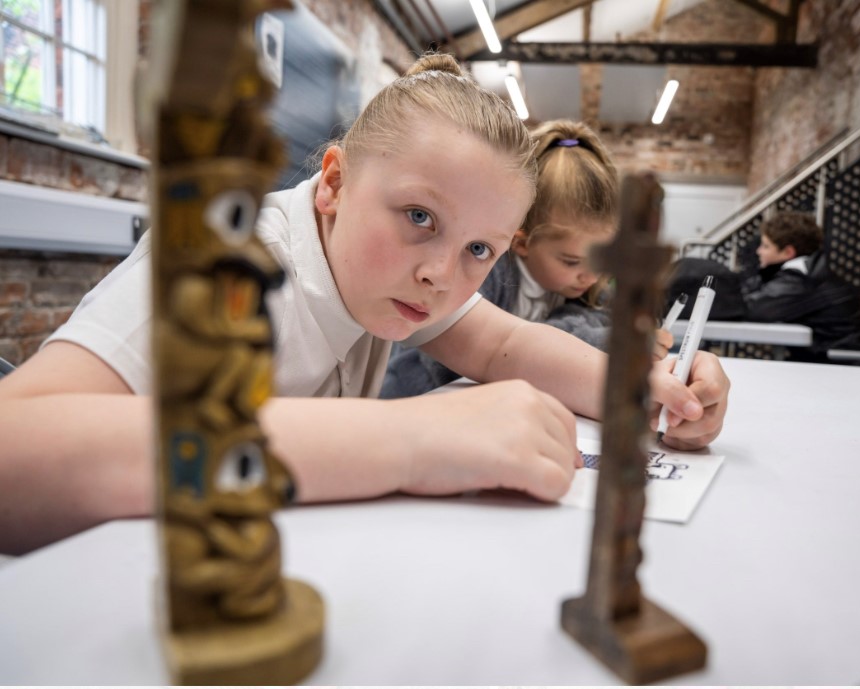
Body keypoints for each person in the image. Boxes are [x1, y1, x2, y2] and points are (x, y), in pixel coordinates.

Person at [0, 54, 730, 555]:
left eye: (481, 249)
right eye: (419, 216)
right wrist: (412, 436)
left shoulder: (396, 272)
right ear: (333, 183)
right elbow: (15, 449)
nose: (443, 274)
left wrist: (641, 384)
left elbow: (504, 346)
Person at [381, 119, 673, 399]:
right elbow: (464, 357)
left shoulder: (583, 285)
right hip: (416, 403)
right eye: (571, 261)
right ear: (520, 243)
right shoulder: (489, 271)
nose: (591, 276)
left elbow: (601, 318)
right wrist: (600, 341)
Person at [743, 211, 860, 364]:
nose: (759, 251)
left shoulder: (803, 278)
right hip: (843, 361)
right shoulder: (810, 270)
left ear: (788, 252)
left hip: (852, 366)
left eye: (765, 246)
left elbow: (752, 308)